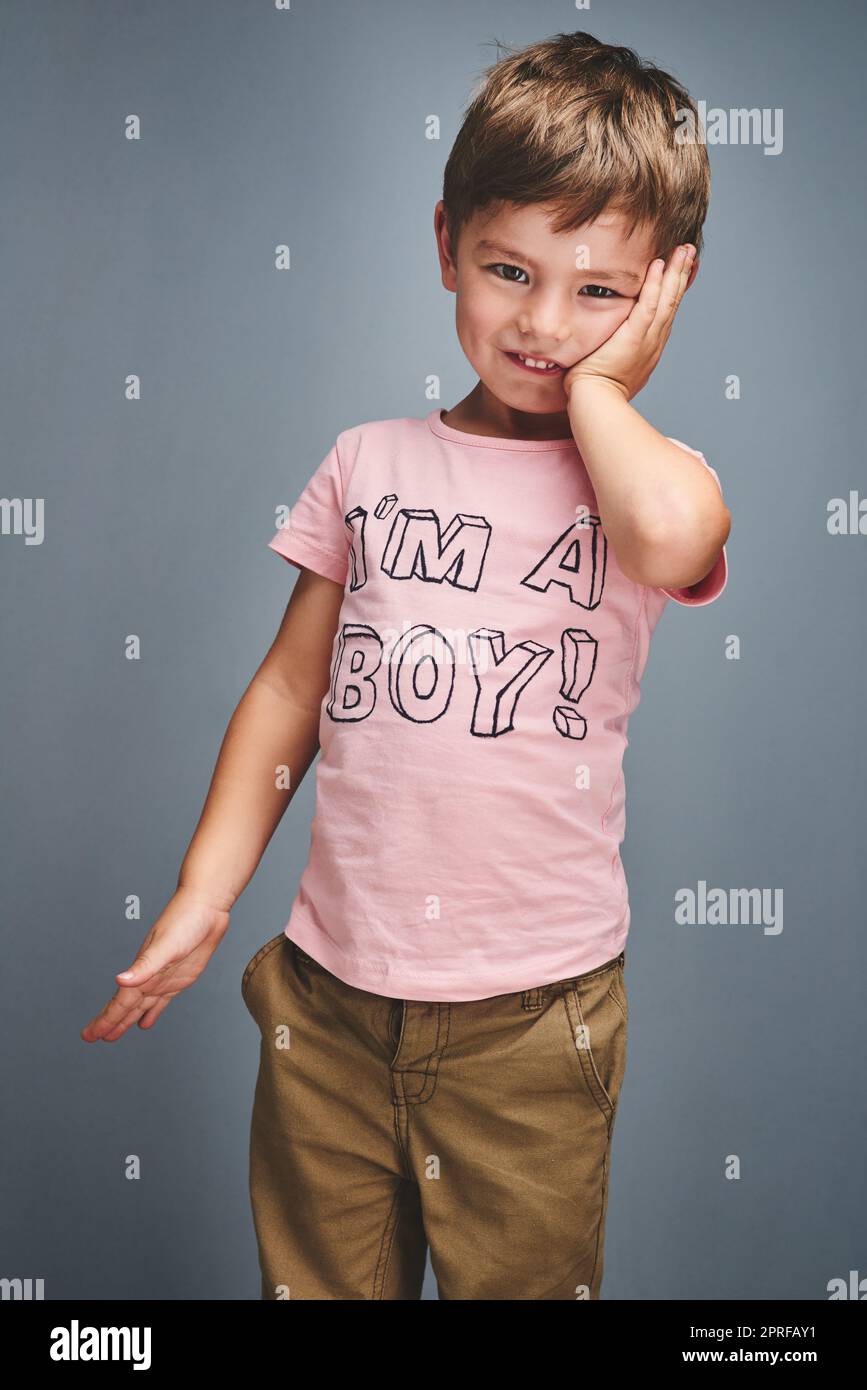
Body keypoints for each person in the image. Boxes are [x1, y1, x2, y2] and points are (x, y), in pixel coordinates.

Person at [82, 30, 731, 1300]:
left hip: (532, 1026)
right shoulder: (369, 462)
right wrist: (208, 894)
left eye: (598, 290)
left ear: (665, 291)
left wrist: (606, 394)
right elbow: (287, 693)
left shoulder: (656, 482)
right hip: (327, 1005)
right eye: (508, 270)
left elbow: (666, 536)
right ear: (446, 246)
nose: (543, 324)